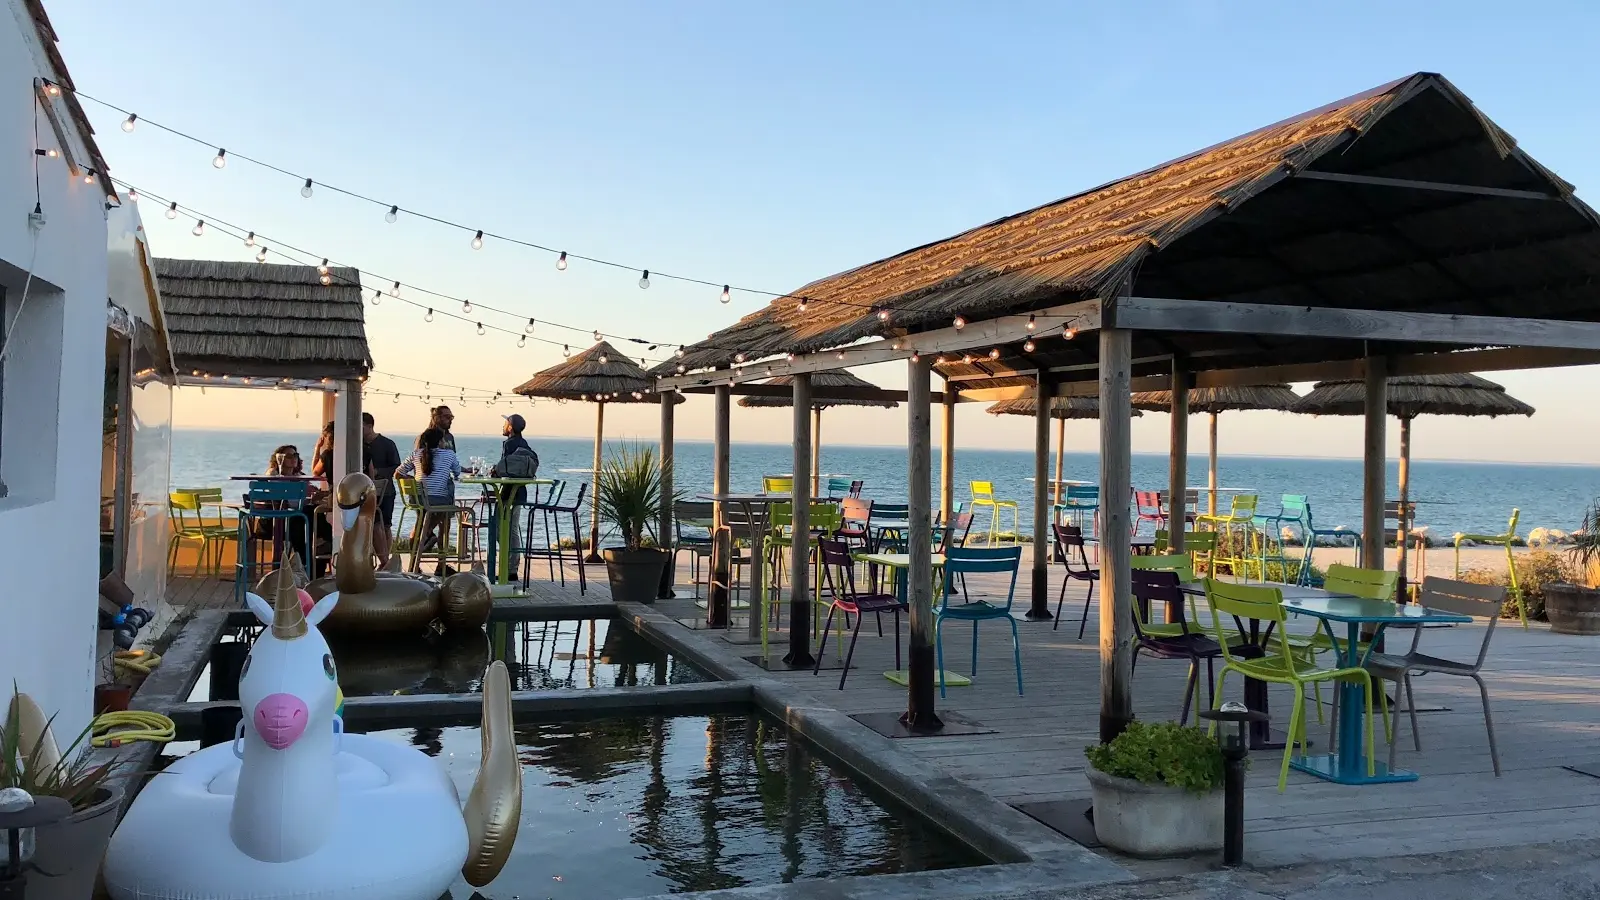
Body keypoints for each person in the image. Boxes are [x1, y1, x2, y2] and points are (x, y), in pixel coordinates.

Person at [396, 428, 461, 574]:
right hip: (439, 503)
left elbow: (398, 473)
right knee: (445, 519)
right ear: (440, 441)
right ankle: (439, 562)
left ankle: (414, 562)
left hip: (419, 501)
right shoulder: (449, 454)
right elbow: (457, 473)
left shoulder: (416, 454)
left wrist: (413, 482)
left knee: (421, 523)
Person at [493, 414, 538, 575]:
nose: (503, 426)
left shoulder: (509, 444)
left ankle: (507, 566)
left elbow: (504, 469)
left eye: (505, 423)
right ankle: (511, 568)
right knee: (512, 529)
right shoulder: (524, 444)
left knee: (499, 529)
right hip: (521, 492)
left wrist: (493, 472)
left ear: (510, 427)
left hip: (508, 493)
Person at [363, 412, 402, 569]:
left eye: (362, 426)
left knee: (385, 525)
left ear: (370, 426)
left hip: (385, 491)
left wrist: (378, 472)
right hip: (365, 492)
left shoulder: (387, 444)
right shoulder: (357, 444)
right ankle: (379, 559)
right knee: (370, 525)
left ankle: (385, 561)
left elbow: (396, 467)